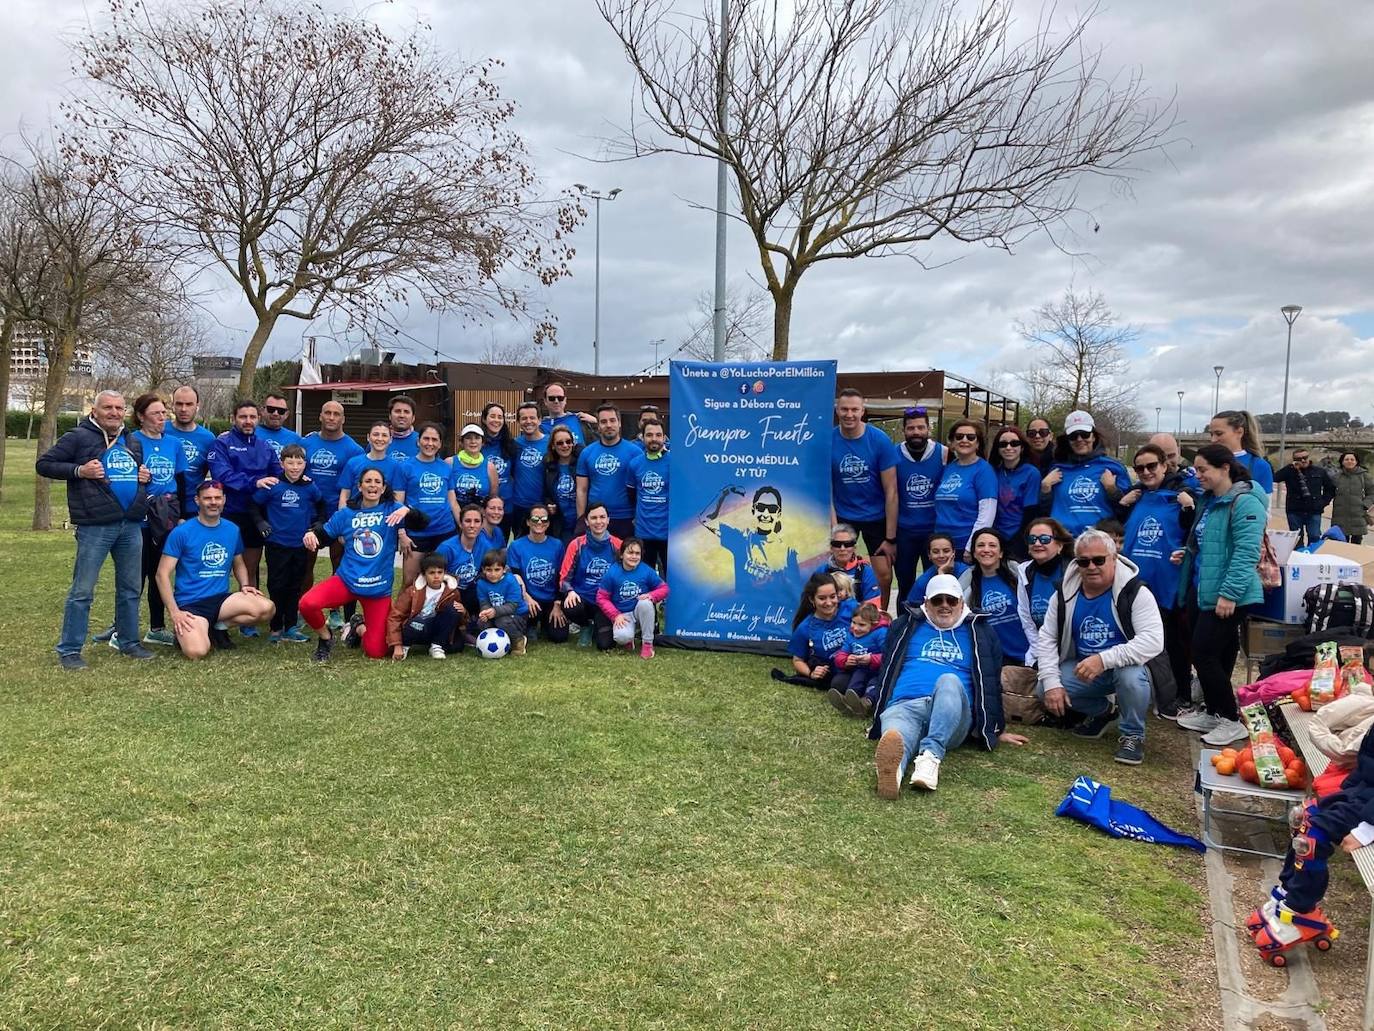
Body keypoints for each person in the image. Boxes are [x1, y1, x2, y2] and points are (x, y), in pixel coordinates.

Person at [869, 573, 1026, 796]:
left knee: (948, 680)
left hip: (953, 713)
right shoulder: (904, 626)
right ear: (926, 602)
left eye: (951, 600)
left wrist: (995, 728)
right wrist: (877, 711)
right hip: (904, 705)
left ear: (962, 603)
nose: (945, 606)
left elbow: (990, 682)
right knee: (896, 736)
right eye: (937, 600)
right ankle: (892, 773)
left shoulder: (980, 631)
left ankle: (930, 758)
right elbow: (887, 670)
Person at [37, 389, 156, 669]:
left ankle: (128, 642)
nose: (114, 413)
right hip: (95, 526)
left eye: (119, 408)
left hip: (130, 525)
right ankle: (69, 650)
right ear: (95, 410)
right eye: (108, 408)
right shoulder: (78, 436)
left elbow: (133, 472)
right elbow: (44, 464)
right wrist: (80, 471)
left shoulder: (131, 439)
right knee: (82, 590)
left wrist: (143, 478)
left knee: (130, 588)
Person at [1246, 725, 1374, 966]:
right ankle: (1288, 890)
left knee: (1312, 840)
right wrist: (1341, 792)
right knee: (1303, 817)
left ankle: (1299, 907)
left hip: (1370, 810)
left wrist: (1367, 829)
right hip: (1362, 794)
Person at [1036, 528, 1164, 766]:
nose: (1091, 566)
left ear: (1114, 558)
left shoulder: (1136, 592)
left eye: (1099, 560)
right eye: (1084, 561)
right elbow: (1047, 639)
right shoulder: (1063, 594)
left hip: (1131, 668)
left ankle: (1133, 735)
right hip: (1085, 668)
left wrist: (1103, 659)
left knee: (1130, 676)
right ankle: (1104, 711)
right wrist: (1053, 684)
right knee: (1044, 689)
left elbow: (1153, 640)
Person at [1175, 444, 1267, 746]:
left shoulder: (1245, 502)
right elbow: (1209, 544)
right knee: (1220, 652)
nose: (1197, 475)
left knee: (1203, 653)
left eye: (1203, 470)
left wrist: (1229, 594)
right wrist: (1186, 554)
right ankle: (1214, 711)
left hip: (1229, 594)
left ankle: (1230, 718)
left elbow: (1246, 552)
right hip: (1204, 587)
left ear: (1224, 468)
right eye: (1196, 469)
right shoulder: (1210, 501)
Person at [300, 469, 428, 661]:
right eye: (368, 481)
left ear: (383, 487)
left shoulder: (392, 509)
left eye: (377, 482)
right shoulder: (347, 514)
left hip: (377, 590)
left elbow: (423, 523)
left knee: (376, 652)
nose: (373, 485)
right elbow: (324, 534)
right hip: (347, 582)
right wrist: (312, 533)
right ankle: (326, 638)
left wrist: (408, 510)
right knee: (307, 604)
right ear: (360, 486)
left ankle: (357, 626)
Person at [156, 480, 276, 658]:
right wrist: (175, 613)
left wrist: (244, 585)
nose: (213, 502)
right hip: (191, 603)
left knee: (267, 608)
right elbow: (162, 575)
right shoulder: (182, 532)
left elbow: (239, 562)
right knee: (197, 652)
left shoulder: (232, 529)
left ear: (224, 500)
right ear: (197, 500)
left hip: (221, 601)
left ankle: (219, 626)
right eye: (207, 498)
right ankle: (192, 630)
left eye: (217, 498)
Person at [1119, 443, 1195, 717]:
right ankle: (1149, 693)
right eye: (1140, 468)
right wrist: (1122, 504)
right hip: (1136, 583)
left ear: (1165, 465)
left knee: (1173, 643)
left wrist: (1188, 509)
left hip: (1168, 583)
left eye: (1152, 466)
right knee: (1138, 639)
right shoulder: (1135, 497)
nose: (1147, 472)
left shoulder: (1183, 495)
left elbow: (1193, 536)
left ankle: (1180, 696)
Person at [128, 392, 188, 648]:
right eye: (156, 413)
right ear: (141, 417)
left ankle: (156, 627)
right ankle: (124, 629)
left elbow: (183, 481)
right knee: (134, 576)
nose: (162, 418)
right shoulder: (131, 441)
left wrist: (183, 515)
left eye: (164, 413)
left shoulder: (173, 444)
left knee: (158, 574)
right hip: (139, 518)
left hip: (165, 518)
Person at [206, 400, 283, 597]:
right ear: (234, 418)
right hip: (229, 512)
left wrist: (300, 480)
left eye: (252, 417)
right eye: (243, 417)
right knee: (219, 564)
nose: (248, 421)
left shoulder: (265, 447)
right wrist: (255, 482)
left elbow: (279, 476)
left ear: (258, 419)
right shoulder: (221, 444)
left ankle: (249, 615)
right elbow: (222, 476)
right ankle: (218, 610)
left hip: (256, 515)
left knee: (251, 566)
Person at [252, 443, 326, 643]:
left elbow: (321, 506)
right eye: (290, 462)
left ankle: (291, 626)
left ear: (305, 464)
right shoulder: (273, 485)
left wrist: (316, 526)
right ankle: (275, 628)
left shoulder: (310, 486)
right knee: (277, 584)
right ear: (281, 463)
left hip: (299, 545)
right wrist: (260, 522)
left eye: (299, 463)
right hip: (277, 544)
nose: (294, 467)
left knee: (295, 585)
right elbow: (253, 505)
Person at [301, 401, 365, 630]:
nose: (331, 417)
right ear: (320, 416)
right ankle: (304, 607)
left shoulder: (354, 450)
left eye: (336, 414)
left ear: (343, 419)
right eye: (327, 412)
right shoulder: (306, 443)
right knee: (306, 563)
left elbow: (357, 486)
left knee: (339, 564)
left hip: (339, 514)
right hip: (309, 513)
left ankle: (336, 611)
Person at [830, 389, 898, 604]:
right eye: (844, 409)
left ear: (862, 411)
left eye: (854, 410)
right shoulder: (828, 440)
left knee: (883, 575)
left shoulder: (879, 440)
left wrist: (890, 538)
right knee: (838, 574)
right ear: (837, 410)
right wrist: (834, 532)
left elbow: (892, 491)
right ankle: (840, 619)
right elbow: (827, 491)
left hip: (875, 517)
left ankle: (881, 620)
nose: (849, 414)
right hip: (843, 515)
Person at [700, 484, 802, 598]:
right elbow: (705, 519)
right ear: (754, 510)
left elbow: (796, 589)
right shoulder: (741, 540)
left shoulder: (788, 550)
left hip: (774, 610)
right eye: (761, 508)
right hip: (741, 609)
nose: (766, 514)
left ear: (779, 514)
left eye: (772, 509)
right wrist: (725, 492)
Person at [1040, 410, 1129, 537]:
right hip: (1064, 543)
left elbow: (1126, 512)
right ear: (1067, 440)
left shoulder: (1113, 468)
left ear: (1093, 436)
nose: (1079, 439)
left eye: (1085, 434)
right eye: (1073, 436)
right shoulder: (1056, 469)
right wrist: (1045, 489)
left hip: (1100, 543)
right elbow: (1045, 511)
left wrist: (1112, 490)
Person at [892, 406, 945, 603]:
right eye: (911, 428)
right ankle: (904, 625)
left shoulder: (943, 453)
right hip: (904, 531)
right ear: (904, 429)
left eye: (920, 428)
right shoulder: (894, 453)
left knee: (937, 581)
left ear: (928, 429)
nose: (916, 432)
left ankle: (933, 624)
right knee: (905, 583)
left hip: (934, 530)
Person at [960, 529, 1032, 667]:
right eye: (980, 545)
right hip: (998, 660)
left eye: (992, 545)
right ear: (974, 553)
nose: (986, 549)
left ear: (1001, 553)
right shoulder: (967, 583)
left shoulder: (1020, 576)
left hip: (1031, 653)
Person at [398, 423, 458, 583]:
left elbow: (453, 502)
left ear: (440, 444)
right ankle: (403, 609)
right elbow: (398, 504)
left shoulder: (446, 468)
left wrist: (465, 530)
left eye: (434, 440)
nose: (430, 443)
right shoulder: (405, 467)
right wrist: (401, 533)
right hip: (417, 533)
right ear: (418, 441)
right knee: (410, 582)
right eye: (426, 438)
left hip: (445, 532)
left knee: (445, 582)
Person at [559, 502, 623, 647]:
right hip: (583, 600)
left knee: (605, 645)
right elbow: (564, 578)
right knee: (571, 605)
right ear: (587, 521)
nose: (598, 522)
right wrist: (570, 591)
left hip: (606, 602)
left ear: (608, 520)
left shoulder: (618, 545)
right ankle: (585, 625)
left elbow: (626, 577)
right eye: (593, 518)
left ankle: (599, 626)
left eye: (602, 517)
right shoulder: (576, 544)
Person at [933, 419, 997, 561]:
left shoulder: (984, 470)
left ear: (978, 443)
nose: (964, 440)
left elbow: (987, 513)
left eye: (971, 437)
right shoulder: (949, 467)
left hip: (965, 545)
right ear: (952, 442)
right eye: (959, 436)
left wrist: (972, 546)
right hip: (942, 545)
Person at [596, 537, 669, 658]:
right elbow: (601, 598)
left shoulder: (646, 570)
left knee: (646, 603)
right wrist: (615, 615)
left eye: (637, 553)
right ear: (621, 555)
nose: (634, 556)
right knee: (621, 637)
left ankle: (647, 644)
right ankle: (629, 639)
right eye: (630, 552)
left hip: (639, 611)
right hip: (623, 614)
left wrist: (651, 595)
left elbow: (664, 589)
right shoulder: (612, 572)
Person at [507, 504, 569, 644]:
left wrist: (557, 604)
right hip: (528, 599)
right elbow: (515, 577)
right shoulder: (516, 546)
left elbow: (562, 577)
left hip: (550, 600)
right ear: (528, 522)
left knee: (559, 637)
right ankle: (531, 625)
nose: (539, 522)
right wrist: (526, 597)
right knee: (526, 617)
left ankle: (546, 624)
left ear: (548, 523)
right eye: (535, 519)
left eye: (544, 519)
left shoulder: (557, 545)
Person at [386, 552, 466, 660]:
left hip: (435, 628)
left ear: (444, 573)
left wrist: (463, 612)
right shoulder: (413, 591)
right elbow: (395, 617)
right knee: (418, 622)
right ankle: (405, 646)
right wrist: (397, 645)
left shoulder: (452, 591)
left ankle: (437, 645)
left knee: (453, 611)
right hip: (415, 627)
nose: (436, 576)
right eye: (432, 573)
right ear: (424, 574)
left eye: (440, 572)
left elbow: (457, 620)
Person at [577, 403, 639, 539]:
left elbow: (641, 488)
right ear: (598, 425)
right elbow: (582, 489)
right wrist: (581, 519)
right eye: (603, 422)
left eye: (612, 420)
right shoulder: (587, 453)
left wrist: (638, 516)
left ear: (619, 423)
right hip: (596, 519)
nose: (609, 425)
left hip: (626, 518)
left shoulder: (635, 452)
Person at [779, 571, 850, 689]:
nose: (828, 603)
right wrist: (811, 673)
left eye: (833, 596)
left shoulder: (851, 609)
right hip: (837, 674)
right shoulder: (804, 628)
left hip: (862, 663)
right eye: (822, 598)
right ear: (812, 600)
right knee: (839, 685)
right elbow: (797, 661)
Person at [989, 425, 1041, 560]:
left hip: (1019, 538)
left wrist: (1020, 542)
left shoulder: (1031, 473)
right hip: (995, 537)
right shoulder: (993, 472)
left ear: (1022, 447)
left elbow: (1031, 513)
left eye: (1014, 443)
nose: (1008, 447)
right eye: (1003, 444)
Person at [828, 601, 888, 716]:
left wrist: (871, 659)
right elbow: (842, 653)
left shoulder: (881, 633)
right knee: (856, 680)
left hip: (878, 671)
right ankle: (849, 702)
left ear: (873, 624)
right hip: (861, 668)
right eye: (853, 622)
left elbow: (888, 655)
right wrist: (846, 660)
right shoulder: (851, 635)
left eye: (861, 625)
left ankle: (866, 703)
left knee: (874, 685)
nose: (855, 628)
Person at [165, 384, 215, 515]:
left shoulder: (208, 438)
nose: (183, 409)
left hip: (194, 508)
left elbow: (207, 471)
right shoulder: (161, 431)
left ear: (197, 406)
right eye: (179, 404)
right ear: (172, 405)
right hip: (163, 506)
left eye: (189, 404)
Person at [628, 416, 670, 575]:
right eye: (650, 435)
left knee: (671, 580)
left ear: (664, 437)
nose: (654, 439)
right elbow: (631, 495)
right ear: (642, 437)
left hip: (669, 533)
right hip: (643, 533)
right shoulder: (635, 464)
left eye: (658, 435)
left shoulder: (674, 462)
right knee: (645, 579)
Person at [1018, 517, 1073, 636]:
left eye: (1044, 539)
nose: (1037, 544)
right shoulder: (1024, 572)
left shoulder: (1074, 570)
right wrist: (1040, 650)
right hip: (1041, 646)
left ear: (1060, 545)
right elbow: (1026, 619)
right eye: (1032, 539)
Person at [338, 422, 409, 507]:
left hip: (384, 517)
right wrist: (344, 518)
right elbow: (344, 495)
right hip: (355, 516)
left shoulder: (396, 467)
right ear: (368, 437)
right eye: (376, 434)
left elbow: (398, 499)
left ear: (390, 439)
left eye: (384, 435)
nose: (380, 438)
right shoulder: (353, 463)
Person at [436, 504, 490, 616]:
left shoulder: (485, 545)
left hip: (471, 590)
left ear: (481, 525)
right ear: (460, 524)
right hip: (447, 591)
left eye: (476, 521)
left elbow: (498, 568)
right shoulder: (446, 548)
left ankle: (476, 623)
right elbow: (432, 576)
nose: (472, 525)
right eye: (468, 521)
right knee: (453, 611)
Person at [1274, 448, 1335, 546]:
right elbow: (1275, 477)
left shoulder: (1319, 471)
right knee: (1296, 538)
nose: (1303, 460)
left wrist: (1322, 503)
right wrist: (1290, 467)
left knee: (1314, 537)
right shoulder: (1289, 471)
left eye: (1305, 457)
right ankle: (1298, 557)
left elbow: (1330, 489)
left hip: (1314, 510)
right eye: (1299, 459)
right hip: (1295, 510)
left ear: (1309, 458)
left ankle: (1312, 559)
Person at [474, 547, 529, 654]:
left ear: (504, 569)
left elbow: (512, 606)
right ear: (483, 569)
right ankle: (495, 643)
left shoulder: (510, 580)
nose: (493, 574)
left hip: (518, 615)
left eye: (497, 570)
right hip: (497, 614)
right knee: (482, 623)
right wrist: (485, 612)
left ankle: (519, 640)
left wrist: (494, 611)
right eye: (489, 570)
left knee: (502, 621)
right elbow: (484, 602)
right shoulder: (481, 583)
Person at [1209, 410, 1274, 497]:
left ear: (1239, 432)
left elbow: (1265, 506)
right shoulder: (1205, 462)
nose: (1213, 440)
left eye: (1219, 434)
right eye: (1211, 434)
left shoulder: (1259, 465)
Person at [510, 402, 549, 531]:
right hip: (519, 506)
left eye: (532, 418)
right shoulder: (514, 445)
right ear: (518, 422)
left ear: (540, 420)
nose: (528, 421)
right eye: (524, 418)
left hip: (544, 506)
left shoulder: (551, 443)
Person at [481, 402, 520, 528]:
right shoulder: (477, 443)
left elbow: (515, 473)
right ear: (484, 419)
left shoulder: (510, 445)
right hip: (483, 505)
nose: (496, 420)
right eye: (492, 416)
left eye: (500, 417)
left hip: (506, 505)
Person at [824, 524, 882, 603]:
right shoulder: (822, 571)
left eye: (848, 544)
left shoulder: (866, 572)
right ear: (831, 548)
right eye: (837, 544)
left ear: (854, 548)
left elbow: (873, 609)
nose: (842, 548)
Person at [906, 533, 969, 605]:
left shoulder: (967, 572)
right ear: (929, 555)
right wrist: (941, 573)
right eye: (936, 552)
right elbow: (913, 607)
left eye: (946, 551)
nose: (941, 555)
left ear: (953, 552)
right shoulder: (923, 582)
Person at [543, 425, 582, 541]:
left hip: (580, 521)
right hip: (560, 523)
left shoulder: (581, 463)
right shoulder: (548, 467)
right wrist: (549, 504)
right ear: (553, 446)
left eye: (568, 441)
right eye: (560, 443)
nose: (565, 445)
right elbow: (546, 494)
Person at [452, 423, 500, 508]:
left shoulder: (490, 467)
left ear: (483, 442)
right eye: (468, 438)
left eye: (477, 438)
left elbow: (492, 498)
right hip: (454, 517)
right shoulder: (450, 463)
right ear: (462, 442)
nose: (473, 441)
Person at [1331, 451, 1374, 544]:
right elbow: (1329, 492)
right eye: (1346, 459)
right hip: (1340, 515)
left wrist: (1365, 504)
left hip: (1358, 515)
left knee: (1356, 543)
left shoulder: (1364, 475)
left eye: (1352, 459)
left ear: (1356, 461)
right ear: (1342, 462)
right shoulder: (1336, 477)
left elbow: (1372, 493)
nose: (1349, 461)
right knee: (1340, 542)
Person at [256, 393, 302, 458]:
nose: (275, 413)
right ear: (262, 411)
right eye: (271, 409)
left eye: (281, 411)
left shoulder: (295, 439)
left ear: (287, 414)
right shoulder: (250, 434)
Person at [387, 395, 420, 460]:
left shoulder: (422, 441)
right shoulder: (379, 440)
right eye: (398, 411)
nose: (402, 415)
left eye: (406, 412)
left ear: (413, 418)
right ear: (390, 416)